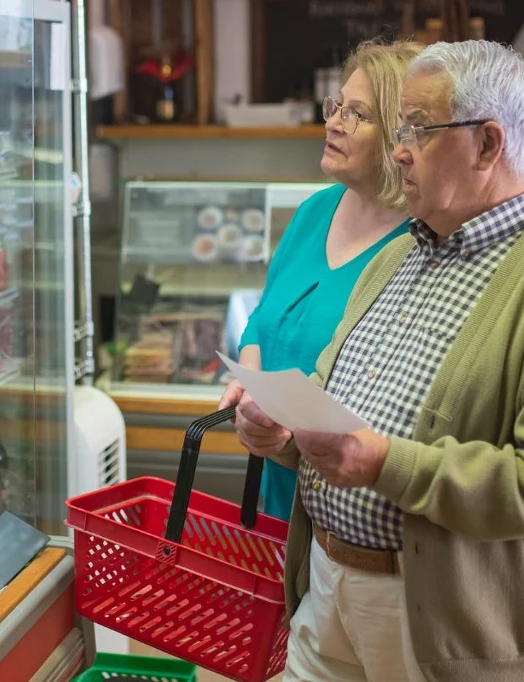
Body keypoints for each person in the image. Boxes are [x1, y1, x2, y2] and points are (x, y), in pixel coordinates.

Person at [235, 40, 524, 681]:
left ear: (488, 145)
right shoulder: (394, 257)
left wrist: (383, 463)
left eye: (418, 130)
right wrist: (281, 430)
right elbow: (326, 394)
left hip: (438, 620)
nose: (399, 148)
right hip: (322, 587)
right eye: (399, 126)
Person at [219, 40, 419, 520]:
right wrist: (251, 395)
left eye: (357, 115)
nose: (332, 123)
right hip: (281, 496)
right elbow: (262, 319)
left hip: (358, 511)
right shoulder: (314, 211)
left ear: (402, 135)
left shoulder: (421, 241)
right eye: (336, 106)